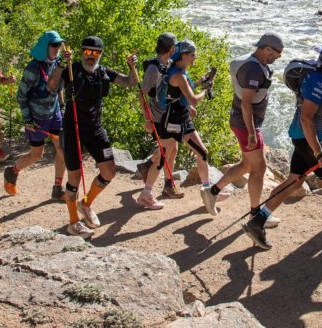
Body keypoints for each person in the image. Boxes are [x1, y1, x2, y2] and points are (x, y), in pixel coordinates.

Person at [243, 35, 322, 252]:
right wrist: (318, 152)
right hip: (308, 139)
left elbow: (315, 111)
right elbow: (306, 117)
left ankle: (258, 221)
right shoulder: (319, 79)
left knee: (295, 181)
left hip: (304, 136)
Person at [47, 36, 138, 238]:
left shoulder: (103, 72)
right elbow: (51, 86)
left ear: (100, 54)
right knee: (74, 179)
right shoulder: (72, 69)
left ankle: (86, 203)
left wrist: (132, 66)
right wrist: (62, 64)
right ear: (81, 52)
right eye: (87, 52)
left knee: (109, 171)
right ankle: (73, 223)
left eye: (95, 53)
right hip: (73, 130)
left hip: (96, 129)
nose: (91, 56)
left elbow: (131, 82)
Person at [202, 33, 285, 221]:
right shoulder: (254, 70)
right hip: (247, 124)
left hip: (240, 120)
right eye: (277, 53)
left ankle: (212, 192)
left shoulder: (247, 61)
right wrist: (251, 133)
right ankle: (256, 214)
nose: (278, 57)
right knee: (259, 168)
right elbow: (247, 103)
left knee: (247, 164)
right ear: (266, 49)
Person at [154, 40, 216, 209]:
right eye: (192, 55)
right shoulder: (178, 75)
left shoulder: (181, 72)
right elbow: (193, 99)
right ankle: (147, 190)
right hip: (172, 119)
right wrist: (205, 90)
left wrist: (201, 81)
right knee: (165, 154)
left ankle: (206, 189)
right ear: (183, 55)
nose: (195, 58)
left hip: (181, 118)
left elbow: (184, 90)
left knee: (198, 152)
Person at [5, 31, 67, 199]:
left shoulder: (58, 64)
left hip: (54, 114)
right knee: (36, 154)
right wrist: (28, 119)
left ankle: (57, 188)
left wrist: (61, 108)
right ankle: (12, 171)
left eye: (59, 45)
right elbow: (21, 95)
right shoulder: (33, 68)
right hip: (37, 118)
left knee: (61, 148)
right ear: (45, 47)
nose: (57, 48)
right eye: (54, 45)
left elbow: (59, 87)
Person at [136, 32, 180, 209]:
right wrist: (147, 118)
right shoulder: (154, 68)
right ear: (171, 49)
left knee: (172, 149)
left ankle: (167, 183)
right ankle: (147, 193)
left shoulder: (168, 65)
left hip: (168, 114)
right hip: (158, 116)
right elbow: (142, 93)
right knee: (165, 152)